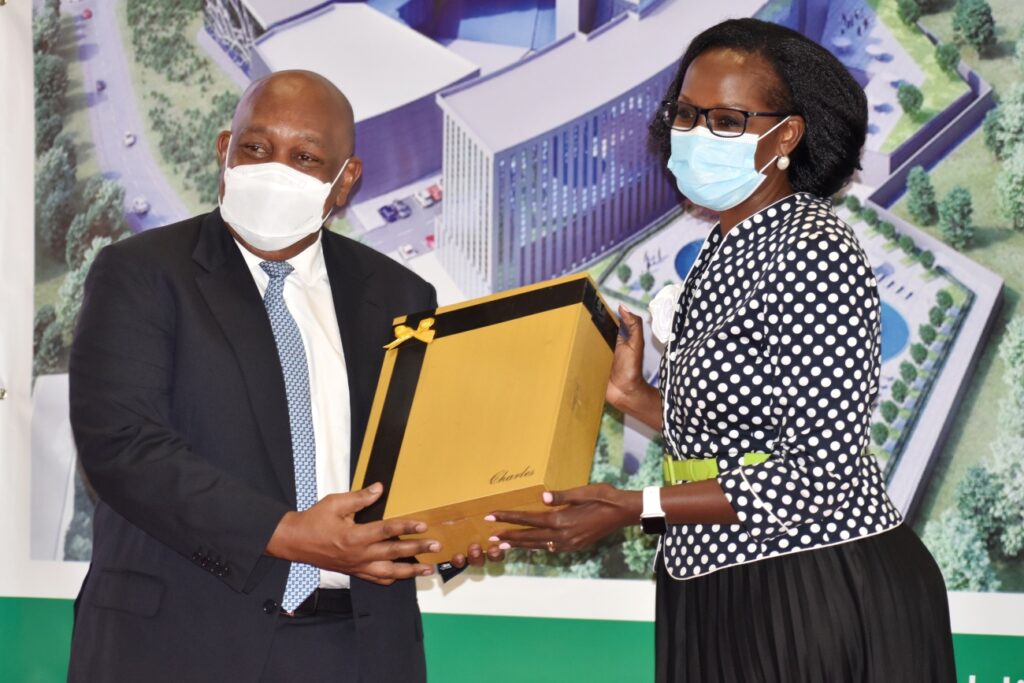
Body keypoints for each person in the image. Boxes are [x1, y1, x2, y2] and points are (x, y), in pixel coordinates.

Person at [489, 19, 956, 682]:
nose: (694, 133)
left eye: (726, 120)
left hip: (810, 591)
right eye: (685, 112)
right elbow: (736, 443)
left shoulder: (814, 249)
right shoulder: (724, 247)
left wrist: (635, 504)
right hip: (714, 585)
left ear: (785, 136)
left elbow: (815, 478)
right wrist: (638, 398)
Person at [67, 70, 497, 682]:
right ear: (225, 150)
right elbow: (123, 448)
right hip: (179, 644)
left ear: (345, 180)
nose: (275, 171)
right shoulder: (141, 274)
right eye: (257, 148)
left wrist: (452, 531)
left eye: (306, 158)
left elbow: (414, 460)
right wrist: (289, 534)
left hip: (359, 646)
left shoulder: (401, 294)